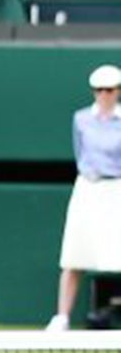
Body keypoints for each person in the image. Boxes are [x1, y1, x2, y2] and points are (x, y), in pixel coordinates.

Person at [49, 65, 121, 331]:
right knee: (73, 255)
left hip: (117, 189)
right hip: (88, 188)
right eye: (100, 90)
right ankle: (62, 317)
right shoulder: (80, 119)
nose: (104, 95)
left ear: (118, 92)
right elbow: (81, 153)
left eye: (110, 90)